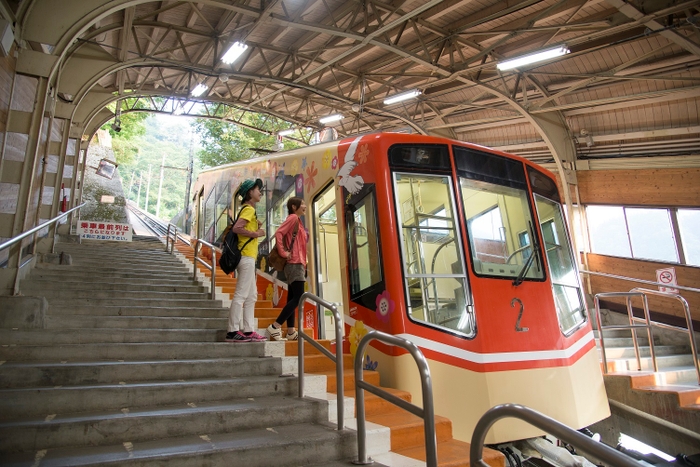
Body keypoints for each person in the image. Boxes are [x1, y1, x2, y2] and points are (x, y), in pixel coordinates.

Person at [225, 178, 268, 343]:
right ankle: (232, 330)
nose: (260, 192)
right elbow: (237, 228)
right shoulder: (248, 209)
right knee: (241, 295)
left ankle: (249, 330)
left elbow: (240, 225)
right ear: (250, 192)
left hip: (249, 257)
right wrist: (256, 233)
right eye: (258, 189)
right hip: (246, 257)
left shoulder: (248, 210)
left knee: (251, 296)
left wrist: (254, 227)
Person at [266, 197, 308, 341]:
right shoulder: (293, 218)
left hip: (297, 263)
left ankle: (291, 331)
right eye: (302, 204)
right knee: (299, 296)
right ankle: (275, 326)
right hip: (294, 263)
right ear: (294, 207)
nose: (305, 206)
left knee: (292, 297)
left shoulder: (298, 221)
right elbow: (279, 233)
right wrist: (283, 253)